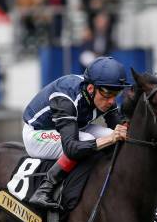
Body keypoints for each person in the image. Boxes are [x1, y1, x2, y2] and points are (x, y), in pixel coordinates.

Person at [22, 56, 129, 210]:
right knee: (89, 138)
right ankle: (45, 189)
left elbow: (118, 126)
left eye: (116, 94)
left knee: (110, 133)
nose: (112, 101)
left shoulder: (100, 92)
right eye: (108, 94)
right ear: (91, 89)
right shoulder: (65, 99)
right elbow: (72, 148)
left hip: (72, 127)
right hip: (37, 134)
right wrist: (110, 139)